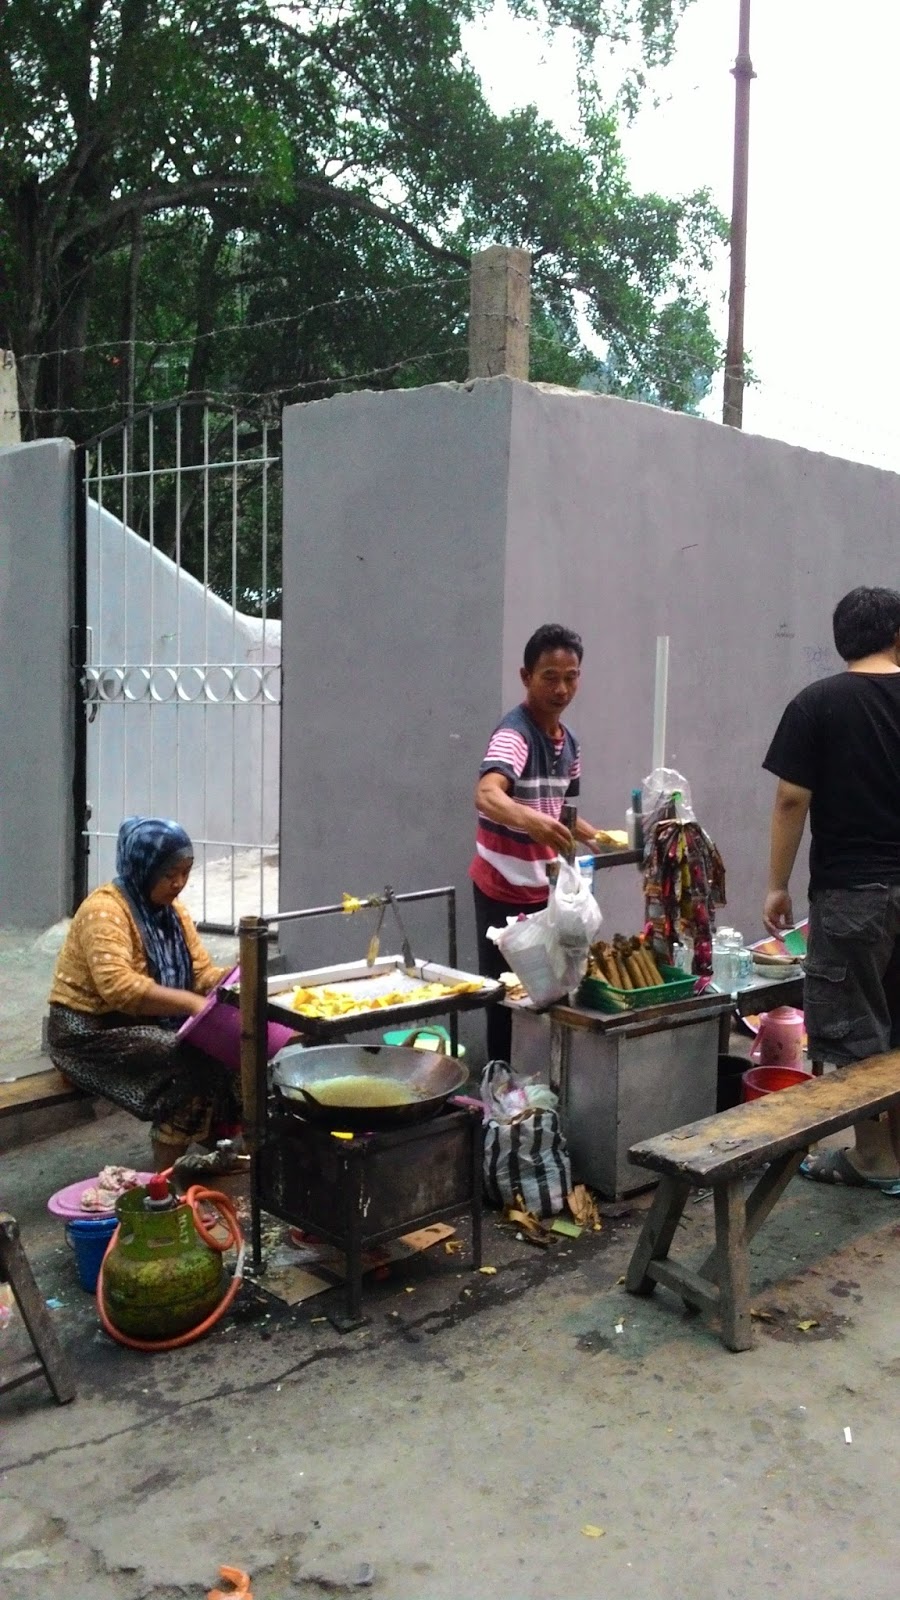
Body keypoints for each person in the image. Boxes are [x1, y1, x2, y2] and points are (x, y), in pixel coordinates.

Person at [762, 585, 900, 1192]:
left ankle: (873, 1158)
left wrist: (776, 884)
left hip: (852, 895)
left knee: (855, 1026)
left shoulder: (816, 703)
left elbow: (791, 799)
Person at [47, 816, 242, 1173]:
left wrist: (238, 977)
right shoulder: (104, 910)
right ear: (143, 868)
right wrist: (192, 1004)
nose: (179, 883)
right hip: (85, 1034)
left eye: (185, 872)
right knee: (186, 1058)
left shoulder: (173, 912)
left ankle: (220, 1151)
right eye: (169, 874)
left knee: (230, 1050)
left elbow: (200, 975)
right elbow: (119, 987)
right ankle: (165, 1177)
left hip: (141, 1024)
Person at [470, 623, 603, 1063]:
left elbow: (558, 808)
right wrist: (534, 822)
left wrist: (594, 835)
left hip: (544, 892)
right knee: (504, 1001)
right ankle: (499, 1088)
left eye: (570, 677)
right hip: (501, 889)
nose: (561, 689)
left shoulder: (570, 743)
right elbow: (487, 794)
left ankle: (544, 1085)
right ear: (526, 677)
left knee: (554, 994)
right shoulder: (515, 734)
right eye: (550, 677)